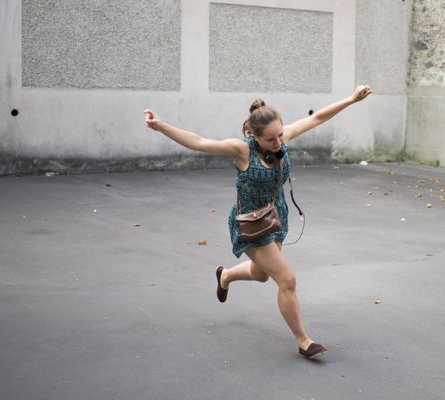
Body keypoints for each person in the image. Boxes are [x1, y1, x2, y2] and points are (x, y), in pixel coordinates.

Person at [143, 85, 373, 359]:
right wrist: (161, 127)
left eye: (280, 136)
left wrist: (351, 99)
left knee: (262, 274)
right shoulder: (241, 150)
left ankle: (226, 275)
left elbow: (317, 118)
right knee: (287, 279)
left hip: (276, 218)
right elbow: (199, 142)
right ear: (254, 136)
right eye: (271, 140)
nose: (278, 143)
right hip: (250, 224)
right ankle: (303, 340)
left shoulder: (282, 138)